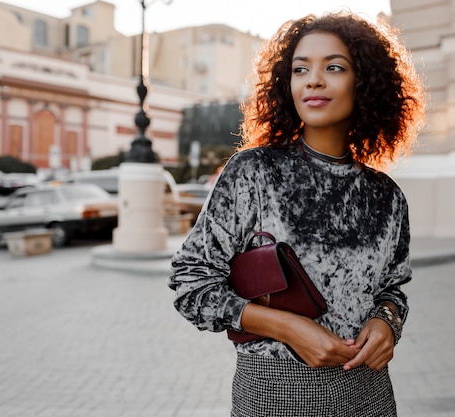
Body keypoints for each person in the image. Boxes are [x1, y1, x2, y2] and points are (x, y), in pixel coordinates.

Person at [168, 11, 425, 417]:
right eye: (300, 69)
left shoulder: (387, 196)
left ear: (366, 82)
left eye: (334, 67)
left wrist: (386, 323)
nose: (313, 80)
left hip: (369, 395)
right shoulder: (254, 172)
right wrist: (287, 327)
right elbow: (190, 284)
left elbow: (392, 291)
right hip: (275, 393)